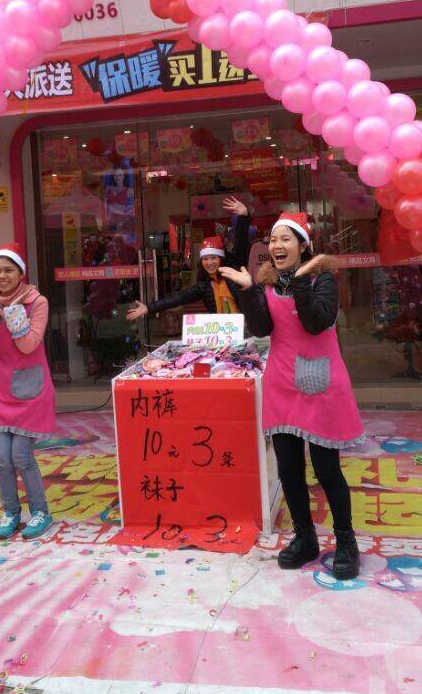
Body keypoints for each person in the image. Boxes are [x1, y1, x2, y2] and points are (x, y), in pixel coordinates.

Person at [220, 212, 364, 580]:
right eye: (273, 240)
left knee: (327, 470)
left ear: (303, 245)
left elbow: (315, 323)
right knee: (289, 469)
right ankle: (305, 538)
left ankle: (346, 542)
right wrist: (247, 290)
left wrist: (299, 282)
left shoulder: (323, 279)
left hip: (321, 383)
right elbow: (261, 328)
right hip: (281, 383)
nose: (277, 246)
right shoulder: (267, 282)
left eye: (286, 239)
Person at [0, 243, 56, 541]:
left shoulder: (38, 302)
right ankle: (10, 512)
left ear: (21, 272)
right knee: (2, 459)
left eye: (8, 270)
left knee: (21, 456)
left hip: (31, 389)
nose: (2, 276)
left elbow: (28, 345)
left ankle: (41, 512)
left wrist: (12, 313)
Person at [127, 196, 250, 321]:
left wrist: (244, 215)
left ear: (221, 259)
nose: (210, 262)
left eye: (214, 258)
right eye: (205, 259)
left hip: (246, 326)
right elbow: (178, 298)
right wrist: (148, 308)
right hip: (221, 328)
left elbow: (241, 243)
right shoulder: (204, 286)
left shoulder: (235, 272)